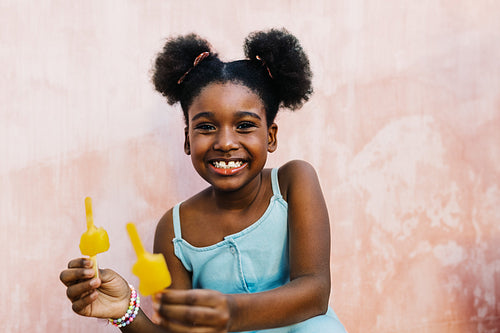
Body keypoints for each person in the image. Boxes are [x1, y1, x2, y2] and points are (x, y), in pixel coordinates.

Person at [60, 28, 347, 333]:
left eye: (245, 125)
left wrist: (230, 312)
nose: (225, 142)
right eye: (207, 126)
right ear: (187, 140)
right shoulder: (175, 229)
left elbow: (315, 292)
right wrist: (125, 311)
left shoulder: (293, 182)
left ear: (270, 136)